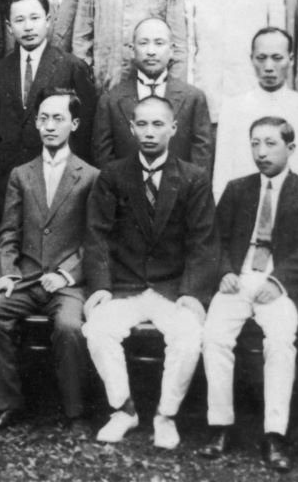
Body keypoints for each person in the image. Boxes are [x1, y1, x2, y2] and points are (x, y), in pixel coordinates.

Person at [81, 95, 216, 449]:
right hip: (125, 286)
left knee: (189, 335)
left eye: (158, 124)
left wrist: (192, 292)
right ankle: (123, 409)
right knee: (97, 329)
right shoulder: (113, 175)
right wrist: (101, 286)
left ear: (174, 128)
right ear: (131, 128)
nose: (150, 132)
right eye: (142, 124)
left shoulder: (193, 178)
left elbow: (203, 242)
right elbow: (96, 236)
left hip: (172, 288)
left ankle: (165, 415)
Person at [199, 117, 298, 472]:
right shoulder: (237, 189)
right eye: (255, 143)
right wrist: (224, 272)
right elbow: (215, 240)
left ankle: (274, 433)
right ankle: (220, 426)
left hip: (278, 284)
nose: (261, 152)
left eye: (270, 143)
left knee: (281, 342)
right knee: (214, 337)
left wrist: (279, 281)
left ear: (291, 148)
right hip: (238, 279)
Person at [0, 89, 98, 433]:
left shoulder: (90, 176)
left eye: (58, 118)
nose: (50, 126)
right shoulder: (21, 174)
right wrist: (8, 274)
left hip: (67, 283)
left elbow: (95, 240)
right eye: (43, 118)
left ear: (74, 124)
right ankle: (8, 403)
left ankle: (74, 411)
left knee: (70, 327)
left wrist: (67, 275)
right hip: (26, 278)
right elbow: (8, 232)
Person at [0, 0, 95, 275]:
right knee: (9, 260)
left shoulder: (71, 66)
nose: (28, 26)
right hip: (8, 182)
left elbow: (84, 134)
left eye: (35, 18)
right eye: (19, 20)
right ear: (9, 27)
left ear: (48, 20)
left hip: (56, 180)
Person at [212, 27, 298, 200]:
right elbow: (222, 175)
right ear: (251, 59)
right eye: (261, 58)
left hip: (296, 209)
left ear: (291, 59)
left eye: (277, 58)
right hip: (244, 207)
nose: (268, 67)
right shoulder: (232, 109)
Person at [91, 17, 211, 170]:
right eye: (143, 43)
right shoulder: (110, 100)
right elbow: (103, 161)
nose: (151, 52)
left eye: (159, 43)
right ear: (132, 50)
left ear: (171, 50)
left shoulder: (193, 98)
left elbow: (201, 163)